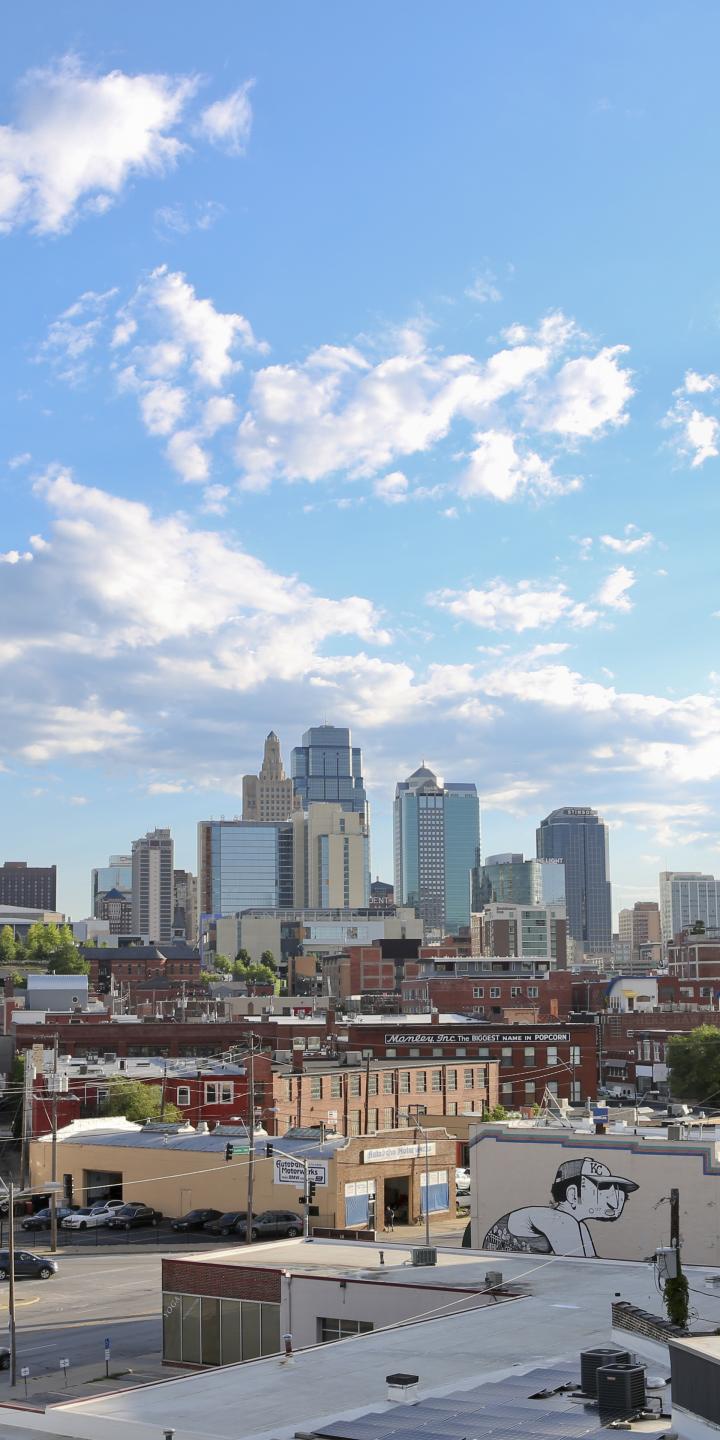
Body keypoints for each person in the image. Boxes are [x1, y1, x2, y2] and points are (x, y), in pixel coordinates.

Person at [482, 1157, 638, 1258]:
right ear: (572, 1194)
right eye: (602, 1188)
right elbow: (580, 1270)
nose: (613, 1197)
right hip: (504, 1279)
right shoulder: (560, 1220)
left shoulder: (575, 1224)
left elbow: (592, 1263)